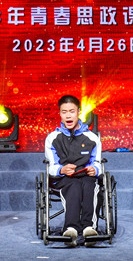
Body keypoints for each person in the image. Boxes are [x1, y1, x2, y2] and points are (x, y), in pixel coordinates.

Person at [44, 95, 102, 246]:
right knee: (74, 185)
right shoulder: (53, 138)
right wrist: (61, 169)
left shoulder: (92, 137)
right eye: (64, 112)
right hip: (64, 179)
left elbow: (97, 163)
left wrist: (95, 170)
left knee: (90, 185)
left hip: (86, 176)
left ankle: (89, 228)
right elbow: (51, 166)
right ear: (60, 114)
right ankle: (71, 229)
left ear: (78, 112)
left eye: (72, 111)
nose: (68, 116)